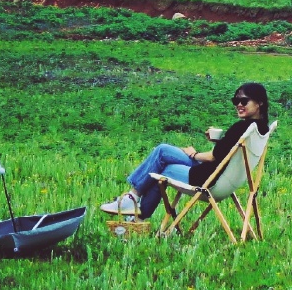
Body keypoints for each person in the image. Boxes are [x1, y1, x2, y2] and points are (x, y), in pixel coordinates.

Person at [100, 82, 271, 219]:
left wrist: (194, 154)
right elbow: (229, 151)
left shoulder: (241, 127)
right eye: (236, 101)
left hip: (207, 179)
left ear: (259, 103)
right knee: (162, 152)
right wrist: (218, 141)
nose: (239, 105)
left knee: (162, 166)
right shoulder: (260, 129)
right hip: (224, 178)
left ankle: (134, 202)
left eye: (244, 101)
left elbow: (214, 156)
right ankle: (135, 207)